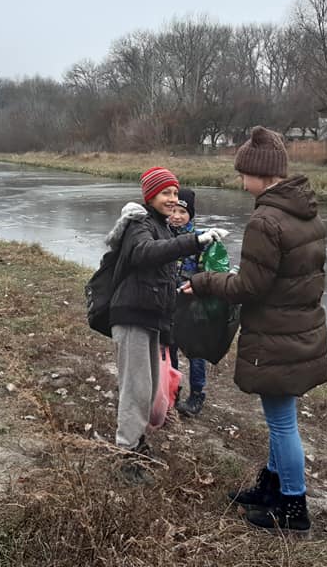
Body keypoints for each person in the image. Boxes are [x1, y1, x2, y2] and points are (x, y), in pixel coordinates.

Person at [183, 126, 327, 533]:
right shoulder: (307, 213)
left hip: (276, 334)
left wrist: (205, 281)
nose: (240, 180)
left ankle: (293, 508)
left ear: (260, 173)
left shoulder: (266, 220)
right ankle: (271, 486)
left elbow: (249, 286)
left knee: (283, 423)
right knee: (279, 417)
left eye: (242, 173)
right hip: (301, 329)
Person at [105, 167, 227, 483]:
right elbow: (146, 254)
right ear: (150, 195)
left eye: (175, 193)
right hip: (131, 317)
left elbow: (161, 276)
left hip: (150, 320)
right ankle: (126, 455)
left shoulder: (161, 225)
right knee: (136, 390)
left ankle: (136, 443)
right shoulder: (140, 224)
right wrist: (194, 242)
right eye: (165, 193)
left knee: (148, 393)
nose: (172, 199)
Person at [167, 187, 209, 417]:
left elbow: (211, 273)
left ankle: (196, 395)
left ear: (190, 214)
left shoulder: (202, 240)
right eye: (172, 210)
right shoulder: (162, 235)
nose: (176, 215)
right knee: (168, 349)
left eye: (182, 211)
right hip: (168, 304)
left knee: (195, 353)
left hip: (193, 305)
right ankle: (172, 391)